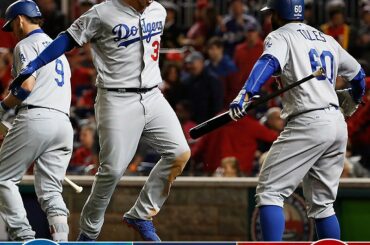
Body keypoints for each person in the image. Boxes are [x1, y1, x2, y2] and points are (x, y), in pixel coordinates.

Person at [10, 0, 190, 241]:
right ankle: (89, 233)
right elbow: (67, 38)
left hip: (153, 94)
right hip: (116, 98)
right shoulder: (102, 12)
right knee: (112, 171)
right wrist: (34, 64)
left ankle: (141, 214)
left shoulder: (158, 10)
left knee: (180, 153)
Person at [229, 0, 366, 241]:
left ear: (278, 14)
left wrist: (246, 93)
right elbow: (358, 75)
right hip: (336, 123)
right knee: (323, 205)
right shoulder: (325, 38)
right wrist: (353, 99)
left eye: (271, 13)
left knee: (270, 192)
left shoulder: (280, 35)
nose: (269, 18)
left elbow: (268, 62)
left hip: (308, 120)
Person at [0, 0, 73, 241]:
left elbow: (26, 88)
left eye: (12, 25)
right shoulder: (58, 50)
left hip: (36, 116)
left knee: (3, 179)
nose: (13, 31)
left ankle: (24, 236)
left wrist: (2, 106)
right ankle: (61, 239)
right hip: (63, 123)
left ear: (20, 19)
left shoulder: (26, 45)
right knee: (52, 190)